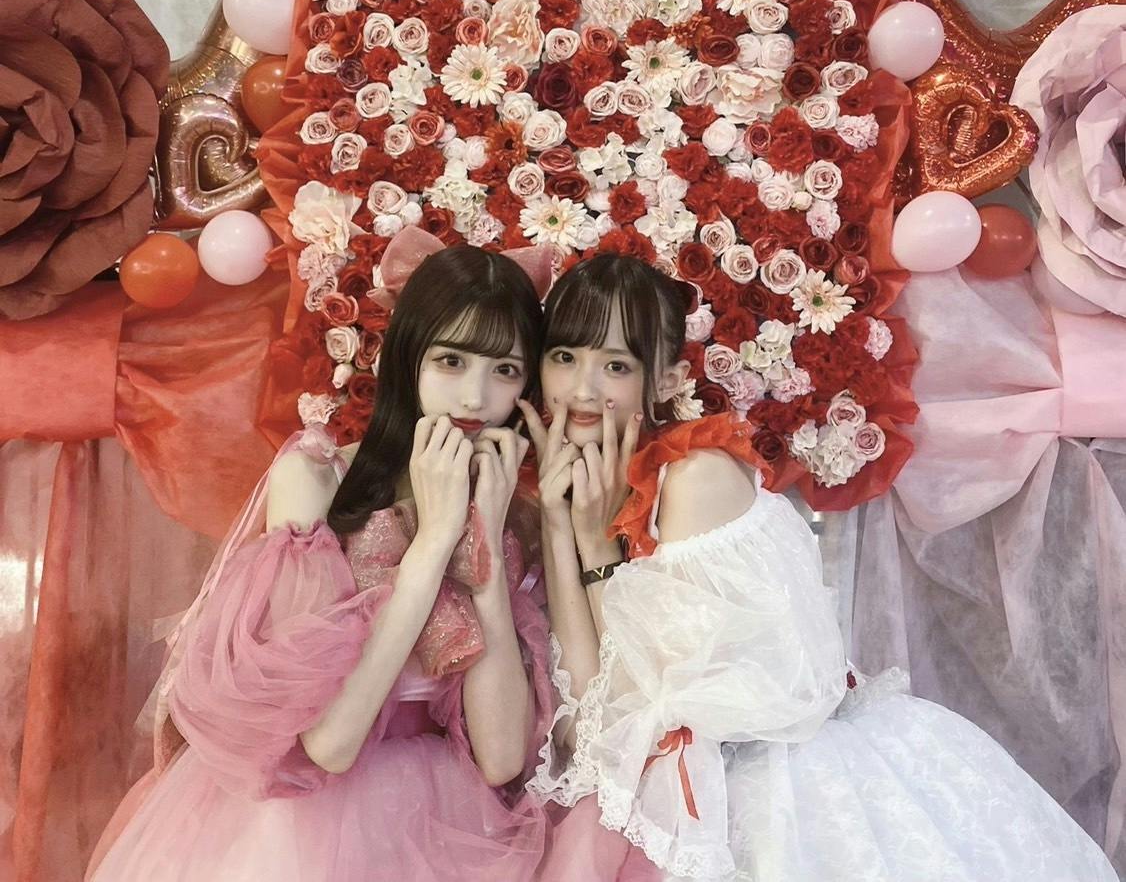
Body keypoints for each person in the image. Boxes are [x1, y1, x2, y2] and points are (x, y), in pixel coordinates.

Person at [524, 252, 1118, 882]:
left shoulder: (695, 480)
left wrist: (594, 548)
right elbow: (589, 716)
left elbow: (644, 708)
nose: (582, 388)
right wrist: (564, 527)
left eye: (616, 365)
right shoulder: (591, 491)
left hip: (777, 791)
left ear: (667, 380)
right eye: (564, 356)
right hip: (692, 786)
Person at [87, 236, 555, 882]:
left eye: (504, 369)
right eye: (451, 360)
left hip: (452, 825)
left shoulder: (515, 511)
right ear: (407, 357)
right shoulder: (317, 479)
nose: (475, 397)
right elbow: (329, 745)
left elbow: (501, 759)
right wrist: (433, 541)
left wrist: (488, 543)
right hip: (301, 828)